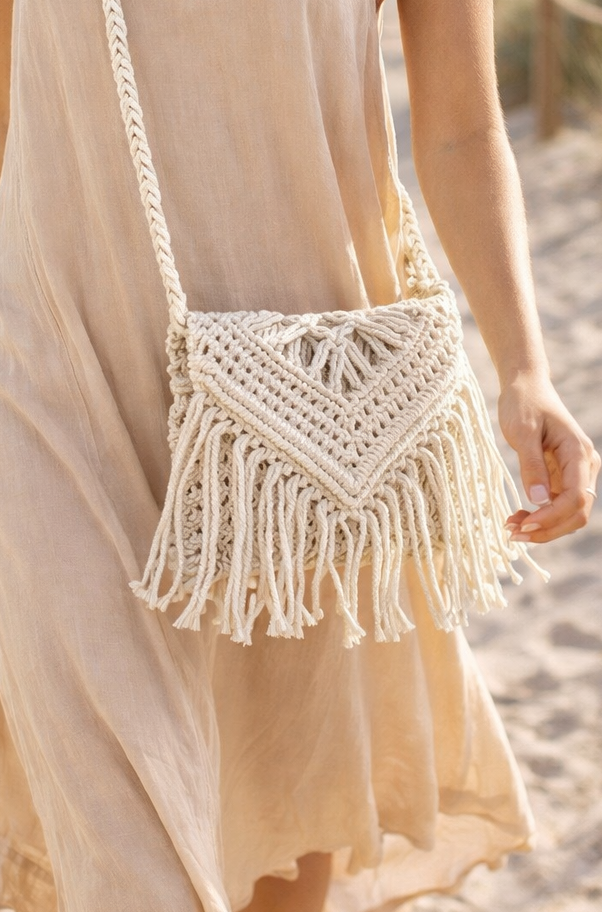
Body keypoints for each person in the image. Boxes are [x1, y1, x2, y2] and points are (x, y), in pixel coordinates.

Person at [0, 1, 598, 911]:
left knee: (283, 817)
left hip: (300, 421)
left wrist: (526, 367)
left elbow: (463, 129)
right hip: (55, 374)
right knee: (127, 858)